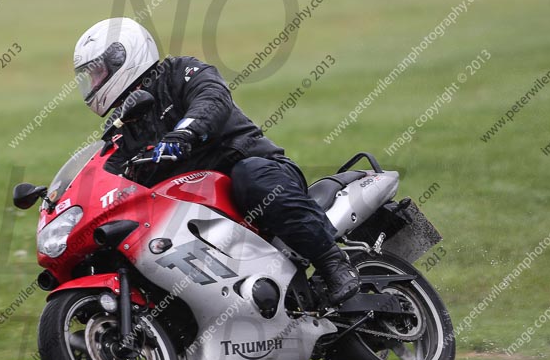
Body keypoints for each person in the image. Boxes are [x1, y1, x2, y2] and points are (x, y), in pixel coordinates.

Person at [72, 17, 359, 306]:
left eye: (98, 73)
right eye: (91, 76)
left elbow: (212, 98)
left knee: (253, 176)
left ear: (124, 56)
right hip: (193, 208)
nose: (94, 83)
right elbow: (106, 169)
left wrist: (185, 133)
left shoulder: (181, 72)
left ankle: (332, 264)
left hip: (254, 172)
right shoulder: (123, 125)